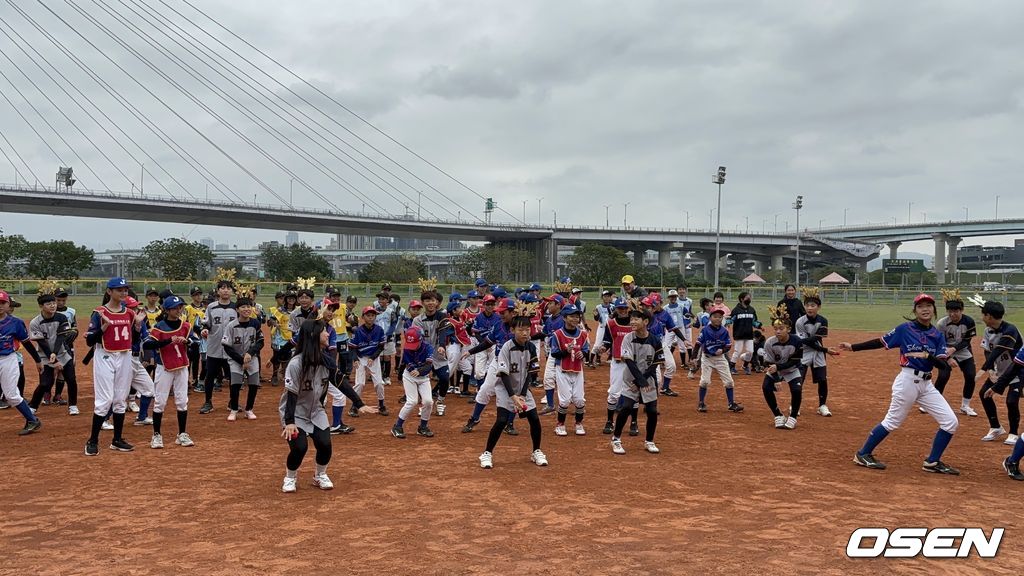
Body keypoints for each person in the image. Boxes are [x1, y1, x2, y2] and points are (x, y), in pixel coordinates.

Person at [840, 293, 960, 474]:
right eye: (920, 306)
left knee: (950, 422)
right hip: (907, 381)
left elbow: (943, 366)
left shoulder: (937, 334)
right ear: (915, 310)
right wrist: (854, 347)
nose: (925, 309)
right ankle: (863, 454)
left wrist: (930, 356)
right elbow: (880, 342)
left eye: (928, 306)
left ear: (934, 310)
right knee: (892, 421)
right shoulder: (905, 329)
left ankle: (932, 462)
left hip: (927, 384)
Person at [280, 319, 377, 493]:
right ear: (314, 336)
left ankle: (319, 475)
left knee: (325, 444)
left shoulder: (327, 361)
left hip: (316, 410)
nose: (328, 334)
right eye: (324, 331)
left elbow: (341, 383)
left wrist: (359, 403)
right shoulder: (296, 364)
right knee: (300, 447)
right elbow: (291, 395)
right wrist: (289, 422)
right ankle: (290, 477)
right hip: (294, 412)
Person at [478, 314, 547, 469]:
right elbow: (503, 374)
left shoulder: (531, 347)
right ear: (512, 330)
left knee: (534, 419)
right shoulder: (506, 348)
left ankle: (536, 450)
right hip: (505, 388)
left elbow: (531, 372)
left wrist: (522, 395)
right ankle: (487, 453)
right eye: (521, 329)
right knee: (502, 420)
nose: (525, 333)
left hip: (522, 389)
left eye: (527, 329)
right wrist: (513, 396)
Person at [84, 277, 139, 455]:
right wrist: (102, 329)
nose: (123, 293)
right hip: (105, 355)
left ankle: (117, 439)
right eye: (119, 290)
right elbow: (90, 341)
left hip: (124, 355)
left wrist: (138, 327)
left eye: (125, 290)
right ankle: (92, 440)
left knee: (120, 398)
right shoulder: (99, 313)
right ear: (109, 292)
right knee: (104, 399)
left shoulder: (130, 313)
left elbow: (133, 340)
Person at [143, 295, 196, 449]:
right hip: (164, 366)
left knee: (182, 401)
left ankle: (182, 434)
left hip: (181, 366)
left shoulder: (185, 326)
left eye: (180, 307)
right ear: (166, 310)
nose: (178, 310)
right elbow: (148, 345)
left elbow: (195, 341)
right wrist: (168, 341)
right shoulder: (159, 326)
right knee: (160, 401)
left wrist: (187, 341)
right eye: (174, 308)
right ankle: (157, 435)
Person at [611, 310, 663, 455]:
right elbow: (629, 362)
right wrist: (639, 381)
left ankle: (649, 441)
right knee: (626, 407)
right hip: (631, 379)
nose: (632, 322)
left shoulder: (655, 340)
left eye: (636, 319)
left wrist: (643, 381)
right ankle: (616, 439)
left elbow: (656, 363)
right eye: (631, 319)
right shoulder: (628, 338)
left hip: (648, 380)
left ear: (645, 322)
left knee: (652, 411)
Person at [976, 300, 1023, 444]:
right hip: (1000, 370)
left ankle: (1013, 433)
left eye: (983, 315)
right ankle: (996, 427)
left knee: (1011, 401)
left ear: (989, 316)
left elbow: (998, 351)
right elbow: (988, 351)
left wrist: (983, 369)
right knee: (984, 394)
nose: (982, 317)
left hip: (1017, 370)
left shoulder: (1010, 330)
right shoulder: (987, 330)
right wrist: (991, 371)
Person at [28, 288, 78, 417]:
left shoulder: (62, 317)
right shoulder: (35, 322)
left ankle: (73, 405)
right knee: (45, 383)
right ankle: (32, 406)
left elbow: (61, 337)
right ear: (41, 306)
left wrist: (55, 354)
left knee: (71, 379)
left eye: (53, 303)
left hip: (62, 353)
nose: (53, 305)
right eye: (48, 304)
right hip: (44, 356)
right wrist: (53, 360)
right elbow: (42, 343)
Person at [0, 290, 44, 435]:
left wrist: (38, 360)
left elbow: (26, 343)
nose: (0, 306)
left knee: (11, 395)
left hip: (7, 359)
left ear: (8, 304)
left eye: (2, 303)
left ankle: (32, 420)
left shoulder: (15, 322)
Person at [794, 288, 840, 417]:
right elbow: (805, 342)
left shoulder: (823, 320)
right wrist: (826, 350)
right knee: (798, 380)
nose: (810, 308)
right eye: (807, 305)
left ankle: (822, 405)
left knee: (822, 380)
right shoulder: (800, 321)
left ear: (819, 307)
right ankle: (795, 405)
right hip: (803, 352)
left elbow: (813, 339)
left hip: (817, 352)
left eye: (813, 305)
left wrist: (821, 349)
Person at [933, 289, 978, 417]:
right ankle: (934, 404)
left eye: (956, 311)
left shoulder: (969, 321)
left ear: (962, 310)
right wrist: (948, 358)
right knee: (943, 375)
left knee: (970, 375)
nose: (953, 314)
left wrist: (954, 349)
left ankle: (965, 406)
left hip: (963, 350)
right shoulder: (942, 323)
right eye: (950, 311)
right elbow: (939, 343)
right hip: (944, 350)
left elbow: (967, 341)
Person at [599, 299, 640, 435]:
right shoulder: (611, 324)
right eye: (620, 308)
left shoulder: (635, 324)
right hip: (617, 362)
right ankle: (610, 421)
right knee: (614, 393)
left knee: (633, 393)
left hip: (633, 363)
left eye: (624, 308)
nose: (622, 311)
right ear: (616, 309)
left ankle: (634, 422)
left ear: (628, 309)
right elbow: (608, 340)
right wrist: (604, 347)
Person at [222, 293, 265, 422]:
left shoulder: (255, 323)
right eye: (243, 307)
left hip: (251, 358)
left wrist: (249, 354)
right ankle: (234, 409)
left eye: (249, 307)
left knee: (253, 384)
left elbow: (260, 341)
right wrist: (241, 360)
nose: (247, 309)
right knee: (235, 384)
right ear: (237, 309)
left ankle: (249, 409)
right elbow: (226, 346)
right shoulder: (231, 325)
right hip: (236, 359)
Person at [761, 305, 804, 429]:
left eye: (781, 328)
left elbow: (795, 362)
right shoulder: (769, 342)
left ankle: (793, 417)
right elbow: (768, 362)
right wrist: (776, 379)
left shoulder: (797, 341)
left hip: (791, 369)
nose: (778, 331)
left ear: (789, 329)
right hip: (774, 369)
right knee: (766, 387)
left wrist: (778, 369)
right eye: (775, 329)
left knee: (796, 390)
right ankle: (778, 415)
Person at [694, 305, 743, 413]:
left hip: (720, 358)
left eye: (720, 317)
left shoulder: (724, 331)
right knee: (705, 382)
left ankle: (731, 404)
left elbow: (728, 345)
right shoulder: (705, 330)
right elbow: (698, 344)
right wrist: (693, 358)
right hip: (707, 358)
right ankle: (701, 403)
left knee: (729, 382)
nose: (718, 318)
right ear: (710, 318)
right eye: (715, 316)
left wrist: (723, 350)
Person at [550, 304, 589, 436]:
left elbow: (586, 350)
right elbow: (554, 354)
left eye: (577, 316)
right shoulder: (557, 335)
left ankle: (579, 423)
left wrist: (583, 354)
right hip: (562, 369)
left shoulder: (583, 334)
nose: (575, 319)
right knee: (565, 400)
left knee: (579, 399)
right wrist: (566, 351)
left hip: (578, 369)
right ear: (564, 318)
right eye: (572, 316)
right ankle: (560, 424)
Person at [199, 280, 237, 414]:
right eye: (222, 288)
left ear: (232, 291)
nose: (225, 290)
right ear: (218, 291)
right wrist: (204, 330)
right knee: (210, 375)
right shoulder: (211, 307)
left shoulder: (236, 307)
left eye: (228, 288)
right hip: (214, 346)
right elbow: (206, 323)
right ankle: (208, 402)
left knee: (233, 376)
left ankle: (233, 401)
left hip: (231, 349)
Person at [391, 325, 435, 439]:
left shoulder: (428, 348)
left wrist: (419, 371)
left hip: (423, 378)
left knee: (428, 402)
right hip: (409, 377)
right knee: (412, 401)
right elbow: (407, 363)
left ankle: (423, 427)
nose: (413, 347)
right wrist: (413, 370)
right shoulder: (407, 348)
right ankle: (397, 426)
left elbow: (429, 366)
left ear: (421, 339)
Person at [349, 306, 388, 416]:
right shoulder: (357, 331)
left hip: (373, 358)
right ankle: (354, 406)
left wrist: (373, 357)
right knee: (360, 383)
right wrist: (355, 359)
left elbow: (380, 347)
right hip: (361, 358)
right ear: (363, 317)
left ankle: (381, 405)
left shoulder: (379, 330)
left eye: (373, 316)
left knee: (379, 383)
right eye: (368, 315)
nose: (370, 318)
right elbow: (352, 347)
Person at [728, 292, 759, 375]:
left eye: (750, 297)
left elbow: (754, 321)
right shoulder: (736, 310)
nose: (749, 299)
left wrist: (759, 326)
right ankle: (732, 367)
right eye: (747, 297)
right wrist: (726, 321)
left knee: (750, 352)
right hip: (739, 334)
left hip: (749, 334)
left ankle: (745, 365)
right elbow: (731, 320)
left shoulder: (751, 310)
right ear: (741, 299)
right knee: (737, 351)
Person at [590, 290, 614, 368]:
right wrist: (596, 315)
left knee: (608, 344)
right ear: (602, 298)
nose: (607, 298)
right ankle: (590, 361)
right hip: (602, 327)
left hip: (611, 328)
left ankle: (598, 359)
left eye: (608, 296)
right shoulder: (598, 307)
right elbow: (596, 319)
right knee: (598, 344)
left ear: (610, 297)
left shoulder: (613, 307)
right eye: (605, 296)